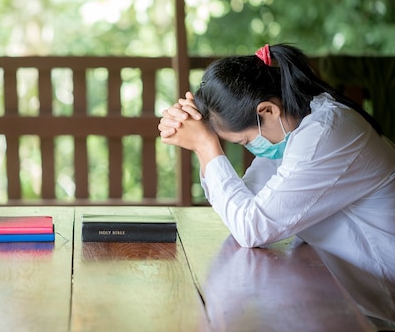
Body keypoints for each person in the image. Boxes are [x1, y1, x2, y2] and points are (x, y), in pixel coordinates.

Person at [158, 43, 395, 330]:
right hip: (350, 297)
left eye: (244, 142)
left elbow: (251, 227)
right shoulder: (293, 129)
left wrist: (206, 145)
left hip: (380, 307)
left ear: (267, 110)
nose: (251, 148)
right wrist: (202, 137)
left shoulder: (325, 134)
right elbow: (243, 205)